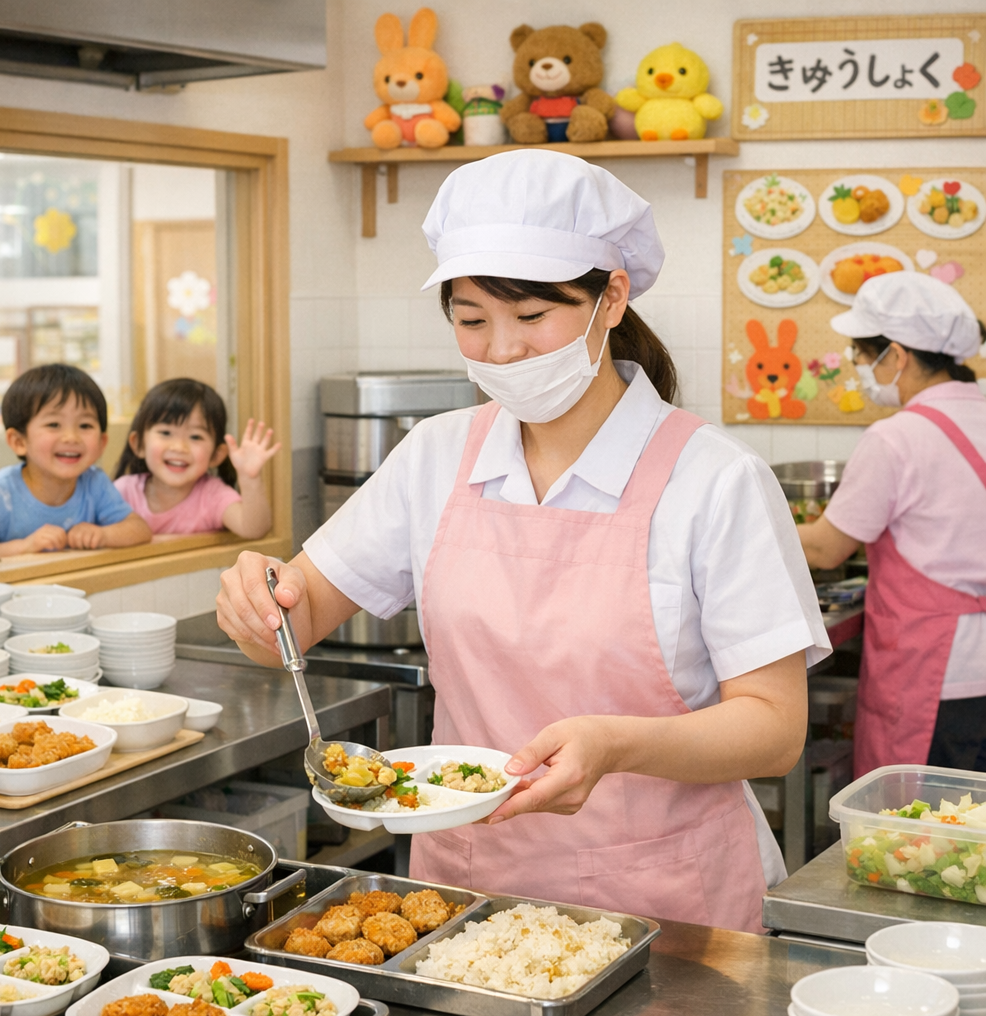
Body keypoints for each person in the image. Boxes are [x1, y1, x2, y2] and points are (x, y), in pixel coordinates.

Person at [217, 150, 829, 933]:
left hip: (667, 903)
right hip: (470, 892)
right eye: (471, 321)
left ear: (611, 298)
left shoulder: (716, 480)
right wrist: (259, 604)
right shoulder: (436, 455)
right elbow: (291, 627)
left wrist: (613, 745)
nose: (500, 351)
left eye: (532, 318)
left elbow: (774, 728)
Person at [797, 272, 986, 776]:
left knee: (921, 834)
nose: (860, 368)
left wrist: (738, 527)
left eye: (863, 355)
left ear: (896, 356)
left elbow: (825, 549)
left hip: (932, 674)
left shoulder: (896, 437)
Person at [0, 364, 151, 558]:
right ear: (19, 441)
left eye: (85, 425)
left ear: (102, 442)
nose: (71, 437)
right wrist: (25, 546)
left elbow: (139, 529)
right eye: (54, 424)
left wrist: (102, 534)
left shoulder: (94, 483)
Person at [113, 378, 280, 540]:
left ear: (217, 455)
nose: (179, 447)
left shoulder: (212, 496)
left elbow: (254, 529)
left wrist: (249, 478)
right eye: (165, 433)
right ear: (139, 444)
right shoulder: (123, 492)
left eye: (195, 437)